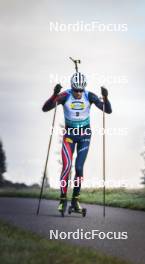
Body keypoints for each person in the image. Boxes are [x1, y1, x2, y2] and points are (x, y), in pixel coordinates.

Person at [42, 72, 112, 213]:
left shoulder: (89, 96)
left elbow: (108, 110)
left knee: (79, 167)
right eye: (76, 90)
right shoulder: (65, 96)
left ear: (84, 88)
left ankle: (75, 200)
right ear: (72, 87)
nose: (79, 93)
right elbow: (45, 108)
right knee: (67, 167)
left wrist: (105, 97)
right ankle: (62, 199)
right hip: (69, 135)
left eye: (81, 90)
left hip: (85, 136)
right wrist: (54, 95)